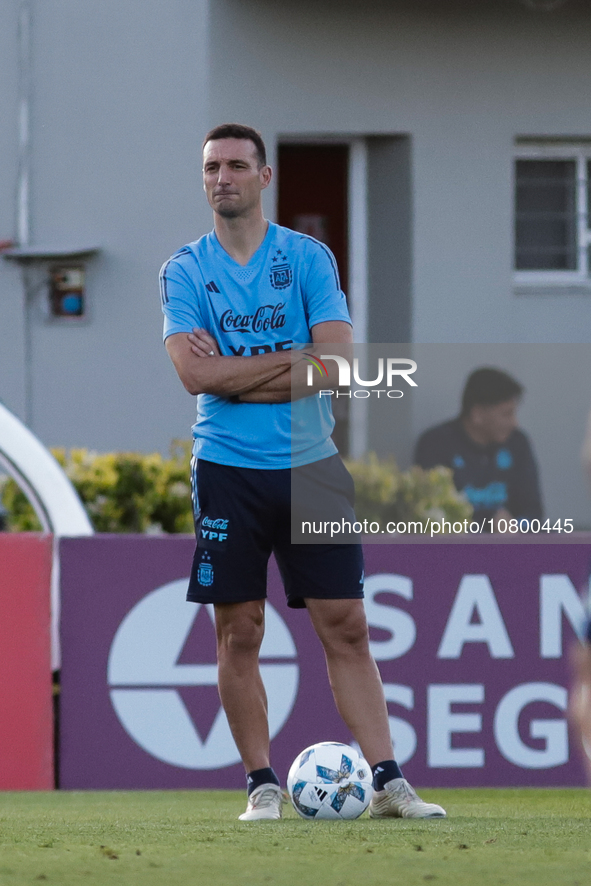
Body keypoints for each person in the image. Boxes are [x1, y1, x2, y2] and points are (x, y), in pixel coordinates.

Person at [160, 123, 446, 821]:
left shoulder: (307, 258)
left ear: (264, 177)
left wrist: (234, 377)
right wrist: (285, 367)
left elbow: (338, 366)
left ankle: (386, 782)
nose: (221, 177)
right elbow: (192, 375)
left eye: (235, 165)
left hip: (310, 467)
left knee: (345, 624)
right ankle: (262, 784)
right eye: (210, 168)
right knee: (240, 630)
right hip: (226, 468)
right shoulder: (183, 269)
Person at [414, 367, 542, 529]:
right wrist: (488, 524)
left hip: (511, 548)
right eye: (506, 414)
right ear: (477, 414)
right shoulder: (436, 444)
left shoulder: (517, 443)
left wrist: (517, 526)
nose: (514, 423)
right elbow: (430, 513)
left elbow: (533, 513)